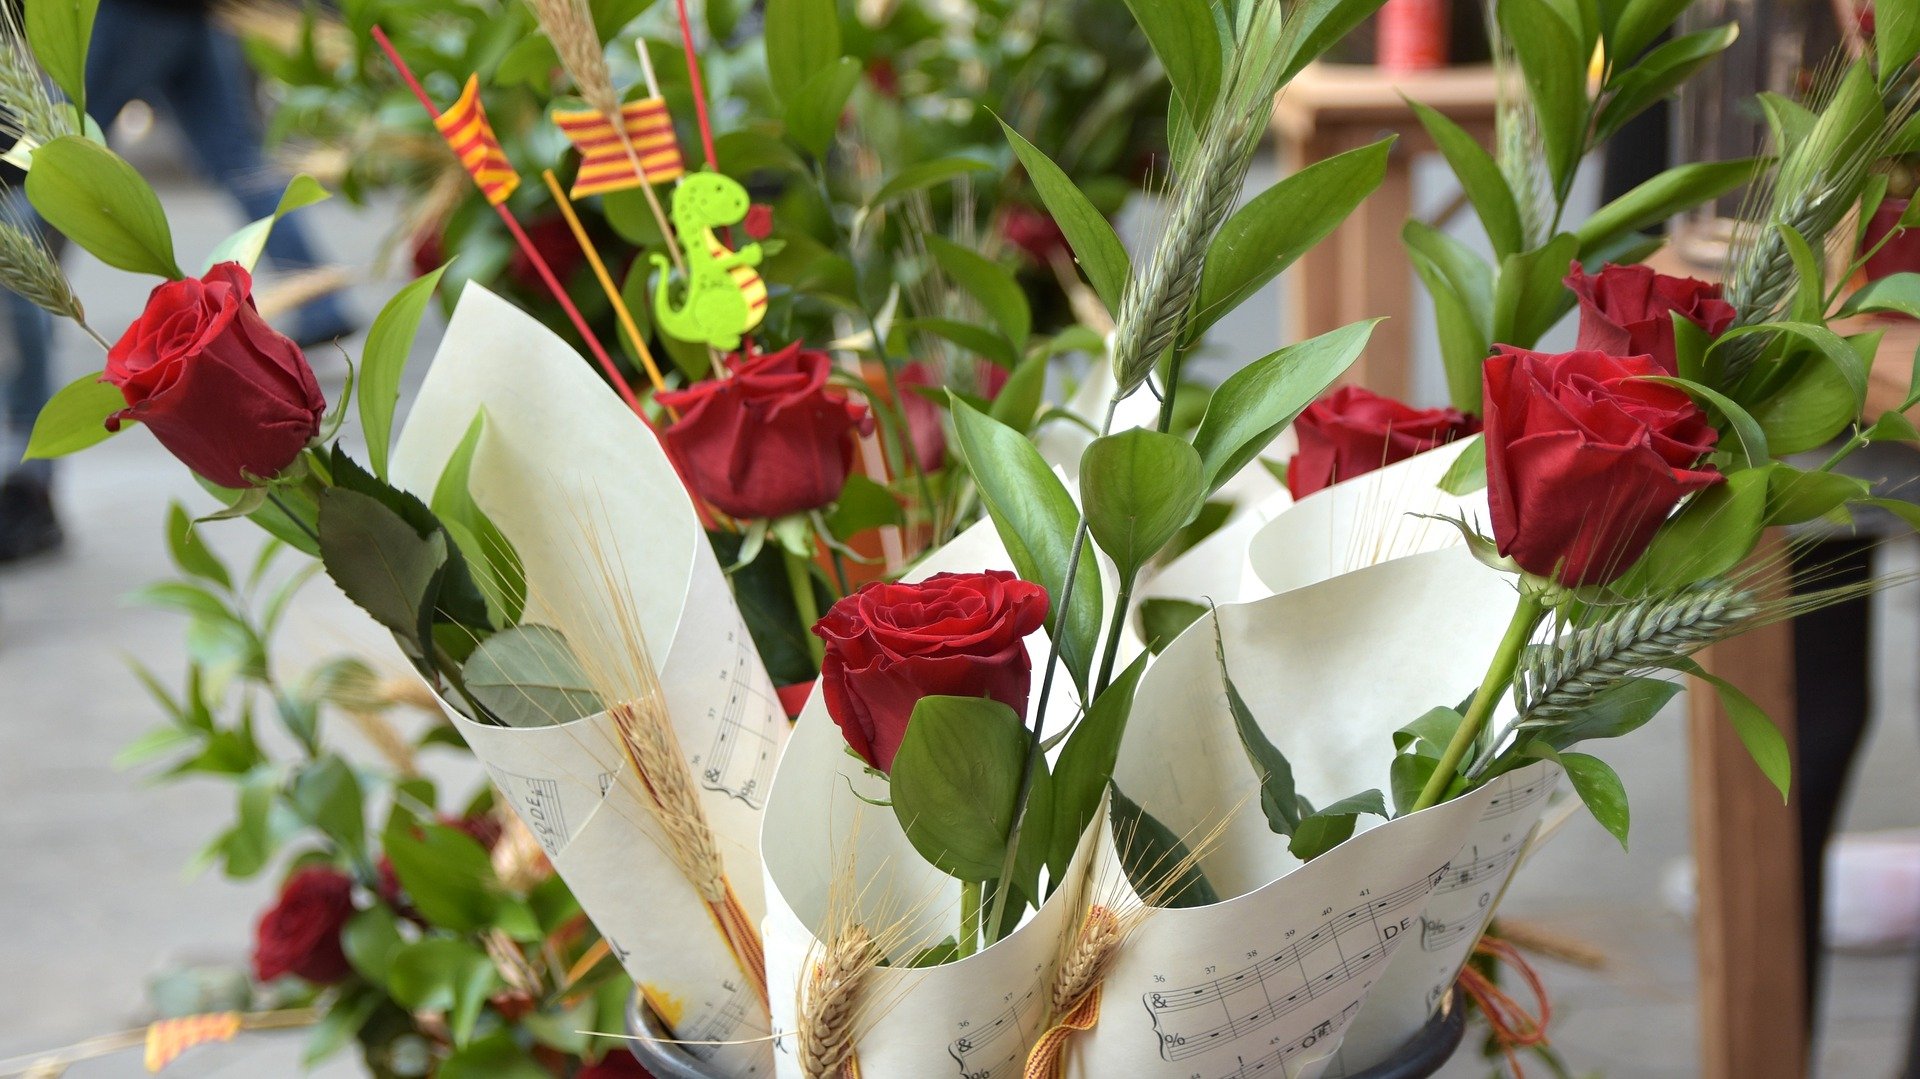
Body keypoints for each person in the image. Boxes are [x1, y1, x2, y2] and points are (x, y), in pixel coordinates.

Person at [83, 0, 355, 348]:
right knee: (241, 163)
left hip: (137, 14)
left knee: (62, 150)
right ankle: (319, 301)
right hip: (201, 14)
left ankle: (18, 304)